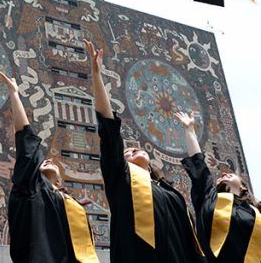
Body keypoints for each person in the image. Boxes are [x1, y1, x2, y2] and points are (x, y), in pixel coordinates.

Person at [84, 40, 205, 263]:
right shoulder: (121, 180)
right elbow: (109, 128)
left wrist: (189, 131)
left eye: (134, 148)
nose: (132, 149)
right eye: (127, 152)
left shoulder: (169, 191)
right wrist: (97, 75)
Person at [0, 71, 100, 263]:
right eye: (43, 161)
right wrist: (14, 94)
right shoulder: (31, 188)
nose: (49, 160)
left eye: (52, 162)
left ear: (60, 181)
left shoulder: (71, 204)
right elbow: (26, 142)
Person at [177, 111, 261, 262]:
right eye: (221, 176)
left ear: (243, 187)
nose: (223, 174)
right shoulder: (209, 198)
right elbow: (198, 162)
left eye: (230, 174)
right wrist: (189, 129)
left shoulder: (257, 213)